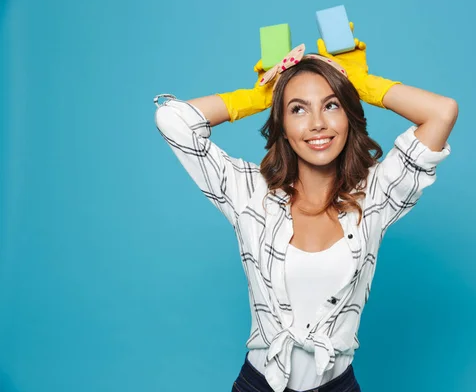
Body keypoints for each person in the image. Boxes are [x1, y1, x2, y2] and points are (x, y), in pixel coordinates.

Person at [153, 25, 457, 392]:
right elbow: (173, 120)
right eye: (298, 109)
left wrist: (363, 84)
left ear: (348, 116)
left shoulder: (375, 195)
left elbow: (441, 112)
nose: (317, 124)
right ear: (282, 126)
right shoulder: (250, 194)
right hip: (259, 384)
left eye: (332, 105)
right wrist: (259, 96)